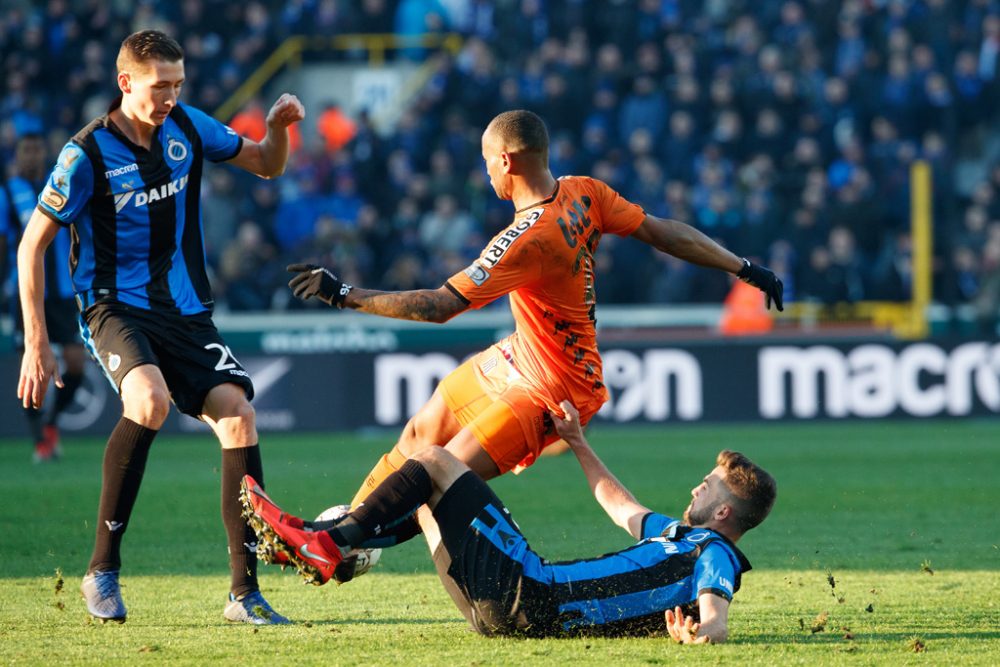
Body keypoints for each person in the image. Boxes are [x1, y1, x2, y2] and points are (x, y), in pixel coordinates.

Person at [285, 109, 783, 574]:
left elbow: (441, 305)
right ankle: (342, 531)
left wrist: (345, 294)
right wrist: (744, 267)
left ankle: (341, 544)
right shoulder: (584, 192)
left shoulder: (527, 239)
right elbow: (663, 232)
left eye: (486, 163)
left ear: (506, 160)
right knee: (420, 433)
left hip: (556, 388)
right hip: (520, 355)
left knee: (438, 473)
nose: (486, 175)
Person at [16, 30, 304, 625]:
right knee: (147, 401)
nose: (170, 95)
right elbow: (31, 246)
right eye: (158, 85)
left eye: (178, 83)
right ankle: (102, 571)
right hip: (112, 307)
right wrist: (36, 339)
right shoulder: (86, 155)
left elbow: (267, 166)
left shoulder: (189, 127)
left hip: (183, 310)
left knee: (239, 415)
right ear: (125, 83)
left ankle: (243, 594)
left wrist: (277, 130)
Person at [241, 401, 777, 641]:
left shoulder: (715, 554)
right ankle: (336, 551)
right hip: (503, 614)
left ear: (725, 511)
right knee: (427, 497)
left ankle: (327, 544)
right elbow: (623, 506)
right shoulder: (681, 537)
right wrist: (579, 443)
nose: (695, 487)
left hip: (531, 591)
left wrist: (703, 634)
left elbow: (717, 617)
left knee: (433, 460)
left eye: (707, 487)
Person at [1, 127, 87, 462]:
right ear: (17, 155)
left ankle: (50, 424)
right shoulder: (8, 193)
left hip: (65, 295)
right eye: (27, 150)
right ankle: (41, 441)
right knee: (33, 369)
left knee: (77, 365)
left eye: (37, 149)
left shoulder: (61, 185)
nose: (32, 155)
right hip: (27, 294)